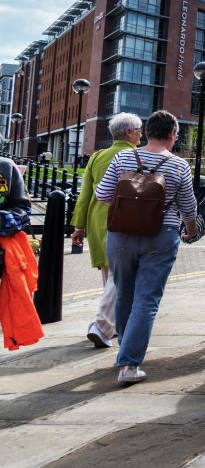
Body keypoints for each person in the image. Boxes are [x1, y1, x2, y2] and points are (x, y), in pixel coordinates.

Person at [95, 110, 198, 384]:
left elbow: (103, 194)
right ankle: (129, 364)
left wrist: (128, 207)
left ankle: (125, 352)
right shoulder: (179, 166)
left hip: (120, 235)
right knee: (147, 299)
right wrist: (191, 229)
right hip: (160, 236)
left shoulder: (123, 157)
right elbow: (188, 207)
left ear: (148, 132)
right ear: (173, 135)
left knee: (125, 293)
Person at [70, 112, 142, 349]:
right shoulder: (135, 156)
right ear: (128, 132)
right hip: (123, 220)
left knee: (109, 274)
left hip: (97, 221)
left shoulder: (97, 156)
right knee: (119, 276)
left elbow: (85, 194)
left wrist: (79, 226)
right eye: (139, 130)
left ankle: (111, 327)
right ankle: (102, 326)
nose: (141, 134)